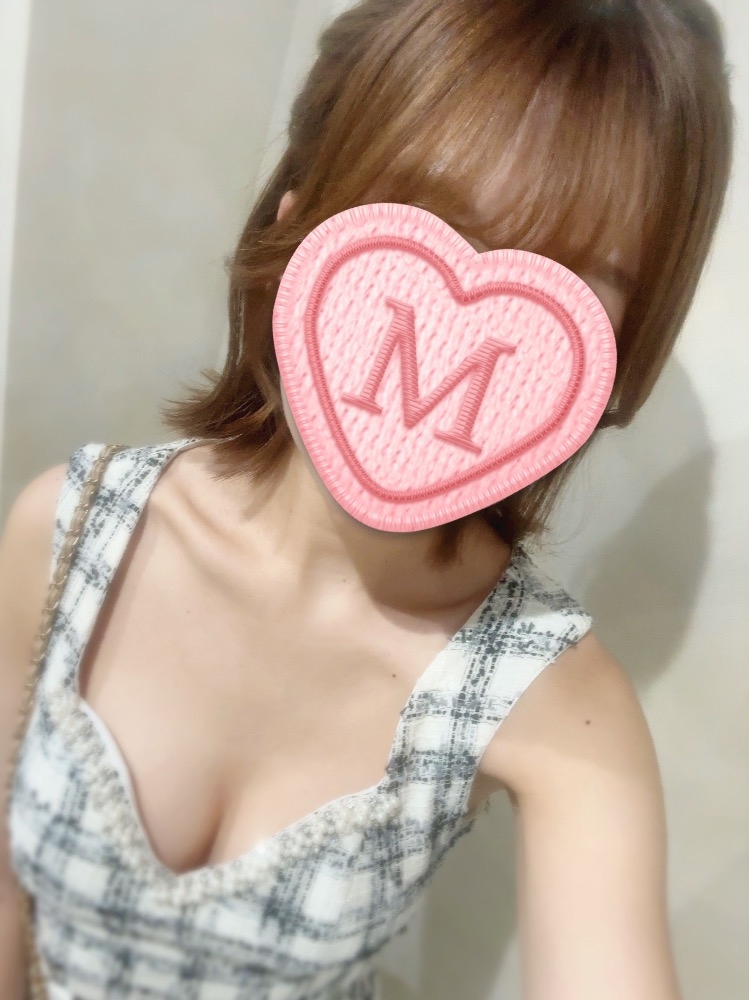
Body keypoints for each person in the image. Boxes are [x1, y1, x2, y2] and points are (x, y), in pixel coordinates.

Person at [0, 1, 734, 998]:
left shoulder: (558, 703)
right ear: (296, 215)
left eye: (561, 285)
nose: (457, 339)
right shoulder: (68, 529)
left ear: (609, 367)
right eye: (423, 223)